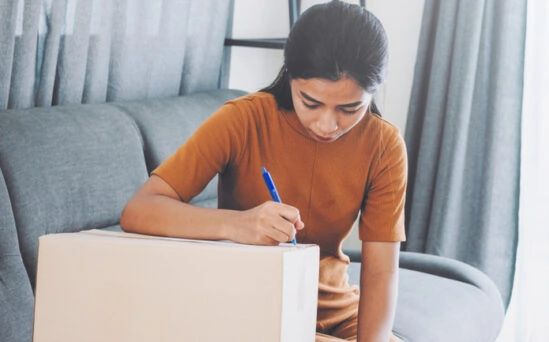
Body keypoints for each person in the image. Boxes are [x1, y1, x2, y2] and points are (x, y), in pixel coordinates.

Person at [119, 1, 406, 341]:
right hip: (252, 308)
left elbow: (382, 269)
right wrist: (240, 224)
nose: (327, 125)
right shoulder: (242, 120)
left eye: (349, 108)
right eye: (310, 102)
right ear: (289, 73)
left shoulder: (384, 145)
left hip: (339, 313)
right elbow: (140, 210)